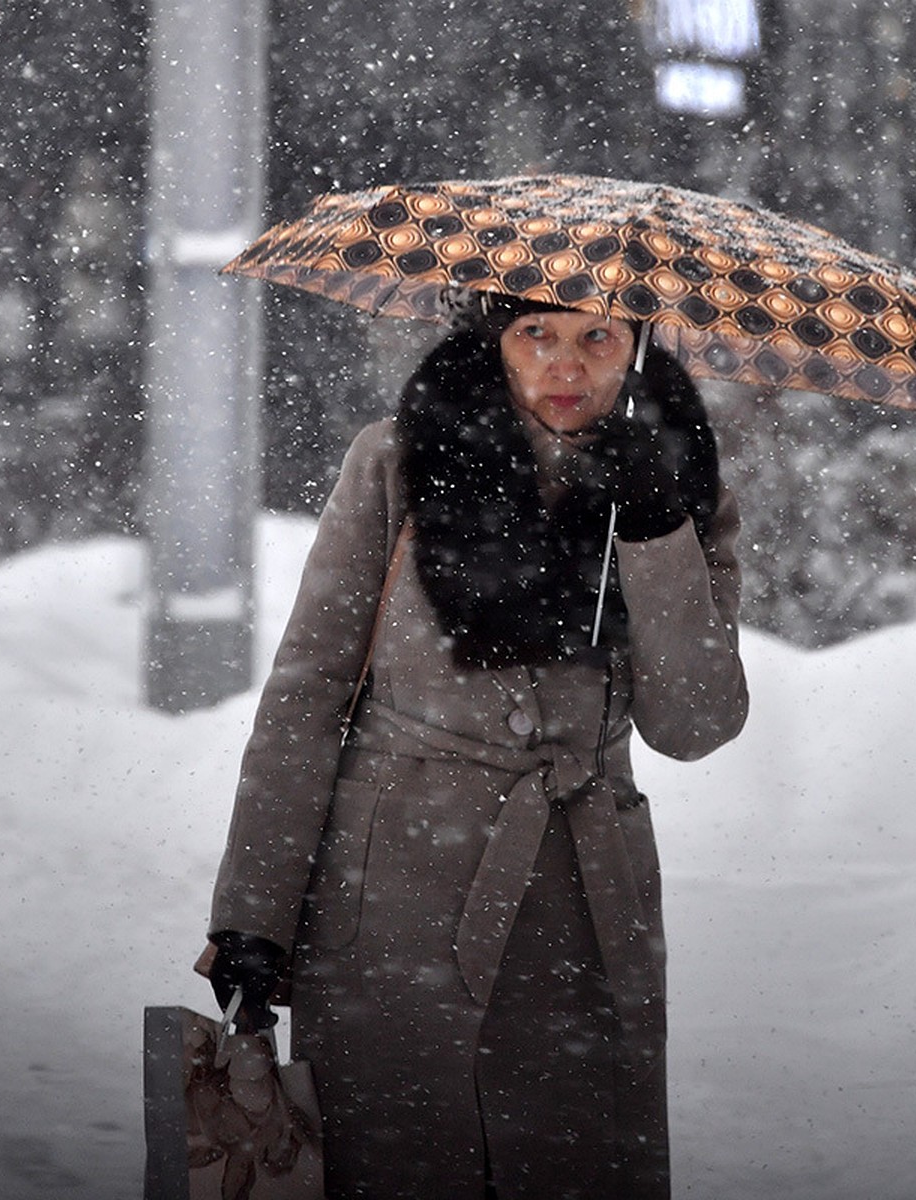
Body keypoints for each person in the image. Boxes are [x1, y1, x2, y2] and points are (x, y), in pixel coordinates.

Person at [205, 295, 749, 1199]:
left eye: (596, 339)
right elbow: (307, 695)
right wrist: (252, 918)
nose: (564, 367)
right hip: (393, 893)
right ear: (492, 343)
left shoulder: (684, 484)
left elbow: (694, 724)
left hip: (582, 900)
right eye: (535, 336)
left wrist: (656, 532)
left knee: (571, 1165)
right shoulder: (397, 459)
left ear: (638, 348)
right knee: (395, 1163)